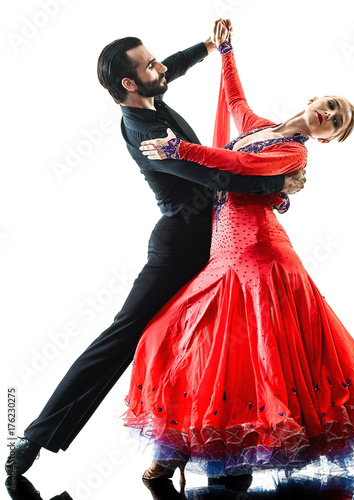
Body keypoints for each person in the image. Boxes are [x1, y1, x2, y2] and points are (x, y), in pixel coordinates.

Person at [121, 21, 354, 484]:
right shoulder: (261, 126)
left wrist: (179, 148)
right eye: (330, 104)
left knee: (313, 354)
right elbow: (235, 101)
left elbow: (238, 164)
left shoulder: (296, 155)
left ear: (327, 138)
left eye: (337, 120)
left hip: (263, 256)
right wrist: (225, 52)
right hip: (225, 255)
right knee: (187, 340)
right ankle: (176, 451)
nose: (329, 113)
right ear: (312, 100)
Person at [5, 20, 307, 477]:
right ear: (129, 84)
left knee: (225, 341)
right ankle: (34, 438)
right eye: (149, 64)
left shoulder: (151, 97)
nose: (160, 66)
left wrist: (208, 47)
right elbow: (213, 177)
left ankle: (225, 451)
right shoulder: (145, 130)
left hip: (222, 241)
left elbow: (172, 69)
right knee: (121, 338)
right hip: (181, 247)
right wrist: (277, 181)